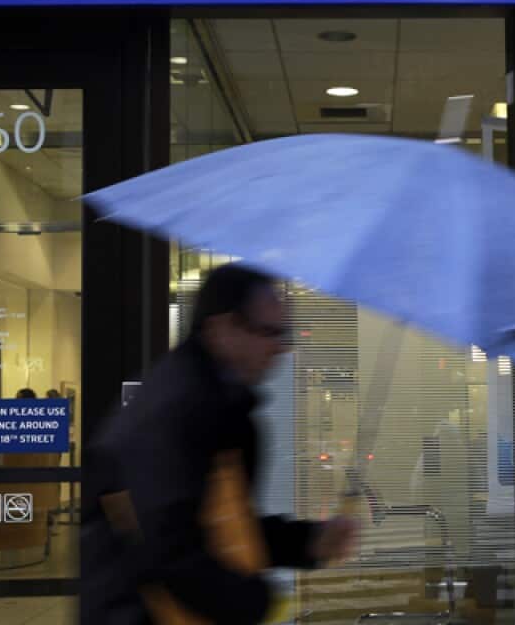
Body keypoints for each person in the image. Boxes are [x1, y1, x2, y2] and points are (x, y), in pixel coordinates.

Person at [82, 263, 357, 625]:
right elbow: (167, 546)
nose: (279, 349)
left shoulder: (211, 400)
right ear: (222, 328)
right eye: (268, 332)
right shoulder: (180, 408)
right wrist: (254, 600)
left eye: (284, 335)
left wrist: (309, 540)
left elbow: (219, 524)